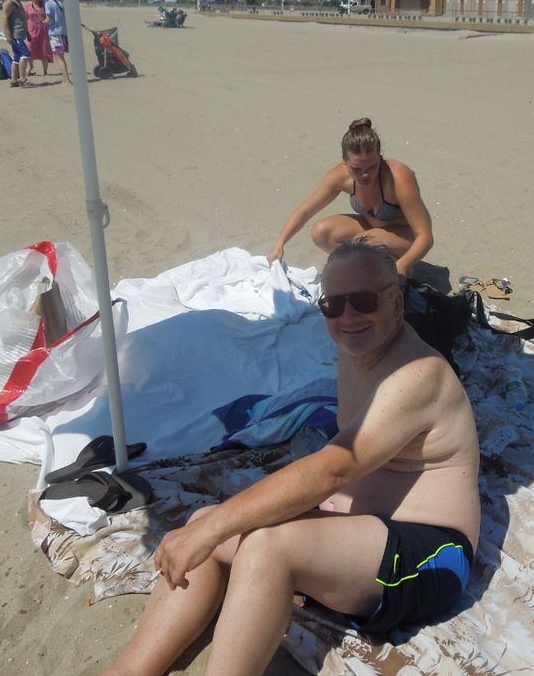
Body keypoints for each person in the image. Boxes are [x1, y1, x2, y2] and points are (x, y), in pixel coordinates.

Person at [99, 240, 480, 676]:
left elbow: (336, 466)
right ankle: (132, 669)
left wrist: (227, 524)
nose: (348, 317)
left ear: (396, 301)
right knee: (201, 525)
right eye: (333, 305)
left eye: (363, 300)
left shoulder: (416, 375)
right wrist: (212, 527)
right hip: (360, 537)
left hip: (430, 554)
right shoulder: (356, 348)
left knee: (265, 547)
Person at [267, 117, 434, 280]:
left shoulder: (398, 177)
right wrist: (280, 244)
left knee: (364, 243)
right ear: (345, 162)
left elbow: (425, 236)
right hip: (371, 232)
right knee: (321, 232)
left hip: (407, 238)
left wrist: (403, 266)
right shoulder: (339, 176)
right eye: (357, 168)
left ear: (380, 157)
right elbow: (306, 210)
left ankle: (399, 267)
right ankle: (377, 267)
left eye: (372, 166)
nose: (366, 174)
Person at [42, 0, 72, 86]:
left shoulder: (48, 4)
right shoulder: (60, 3)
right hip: (64, 32)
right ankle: (64, 78)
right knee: (59, 56)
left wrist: (41, 22)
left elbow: (49, 20)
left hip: (55, 33)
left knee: (59, 57)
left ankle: (66, 79)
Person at [2, 0, 31, 87]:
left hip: (20, 33)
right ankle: (22, 78)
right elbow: (5, 17)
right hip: (16, 34)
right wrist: (8, 34)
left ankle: (14, 80)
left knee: (17, 57)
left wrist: (27, 33)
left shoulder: (17, 2)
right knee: (25, 54)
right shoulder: (9, 2)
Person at [25, 0, 52, 77]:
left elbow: (49, 18)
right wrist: (25, 31)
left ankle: (45, 72)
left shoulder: (44, 5)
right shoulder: (28, 5)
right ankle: (30, 67)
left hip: (43, 33)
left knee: (43, 52)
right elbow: (25, 18)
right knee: (29, 51)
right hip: (31, 32)